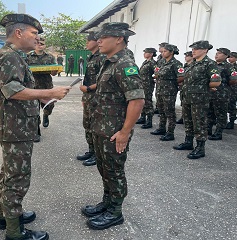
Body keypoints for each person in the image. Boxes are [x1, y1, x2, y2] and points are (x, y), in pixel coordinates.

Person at [0, 13, 71, 240]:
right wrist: (49, 92)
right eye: (33, 33)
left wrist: (43, 99)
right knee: (17, 178)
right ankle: (15, 233)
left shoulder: (13, 55)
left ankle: (6, 217)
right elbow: (13, 90)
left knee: (9, 174)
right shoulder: (10, 57)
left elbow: (19, 88)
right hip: (16, 127)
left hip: (15, 125)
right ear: (18, 33)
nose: (37, 39)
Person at [81, 22, 145, 230]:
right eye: (98, 37)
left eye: (104, 36)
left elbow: (137, 101)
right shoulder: (109, 63)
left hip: (115, 131)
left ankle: (115, 212)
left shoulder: (125, 65)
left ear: (119, 39)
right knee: (104, 168)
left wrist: (125, 132)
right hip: (101, 128)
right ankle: (107, 203)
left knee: (114, 170)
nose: (98, 40)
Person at [173, 40, 221, 159]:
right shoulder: (192, 64)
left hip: (200, 99)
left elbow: (216, 82)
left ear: (205, 50)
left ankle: (200, 148)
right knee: (188, 121)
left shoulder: (209, 64)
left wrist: (204, 87)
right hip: (187, 97)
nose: (193, 51)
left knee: (199, 122)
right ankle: (188, 142)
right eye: (193, 49)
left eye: (197, 49)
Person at [76, 31, 105, 167]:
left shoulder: (102, 57)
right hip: (89, 97)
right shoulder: (92, 57)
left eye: (89, 40)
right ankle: (91, 150)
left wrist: (88, 89)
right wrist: (85, 96)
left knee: (95, 127)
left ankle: (97, 155)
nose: (86, 43)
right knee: (87, 125)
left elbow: (104, 80)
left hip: (97, 97)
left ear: (96, 41)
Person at [26, 36, 57, 142]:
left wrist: (54, 71)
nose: (40, 45)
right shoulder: (28, 57)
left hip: (46, 86)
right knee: (34, 110)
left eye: (42, 43)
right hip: (33, 86)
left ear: (45, 46)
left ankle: (46, 115)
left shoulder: (50, 57)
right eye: (38, 43)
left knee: (49, 105)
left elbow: (54, 72)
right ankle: (36, 132)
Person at [150, 44, 184, 141]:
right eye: (162, 51)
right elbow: (156, 73)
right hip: (160, 90)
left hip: (169, 91)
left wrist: (172, 83)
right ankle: (161, 128)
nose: (163, 53)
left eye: (165, 51)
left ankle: (170, 132)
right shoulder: (161, 62)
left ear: (171, 52)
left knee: (169, 111)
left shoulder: (176, 63)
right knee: (161, 110)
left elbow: (181, 76)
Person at [207, 48, 237, 140]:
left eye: (219, 54)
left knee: (221, 114)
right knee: (210, 112)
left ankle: (218, 133)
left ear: (226, 56)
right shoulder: (212, 65)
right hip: (211, 93)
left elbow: (234, 79)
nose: (216, 55)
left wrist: (224, 86)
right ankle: (208, 129)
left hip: (222, 94)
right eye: (216, 53)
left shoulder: (228, 66)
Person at [137, 48, 157, 129]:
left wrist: (152, 79)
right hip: (142, 84)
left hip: (148, 85)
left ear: (151, 54)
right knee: (143, 101)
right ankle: (143, 117)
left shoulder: (153, 63)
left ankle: (149, 121)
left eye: (146, 52)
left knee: (148, 102)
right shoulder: (145, 62)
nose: (144, 54)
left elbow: (157, 73)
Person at [176, 51, 194, 124]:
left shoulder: (193, 65)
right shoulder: (185, 66)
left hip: (192, 89)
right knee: (183, 103)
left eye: (187, 56)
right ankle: (183, 117)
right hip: (184, 88)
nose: (185, 57)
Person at [154, 42, 168, 114]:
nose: (159, 48)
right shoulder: (160, 57)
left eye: (161, 47)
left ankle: (163, 110)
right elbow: (157, 66)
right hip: (159, 79)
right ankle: (158, 108)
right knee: (158, 94)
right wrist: (156, 73)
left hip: (166, 82)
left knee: (164, 98)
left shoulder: (167, 57)